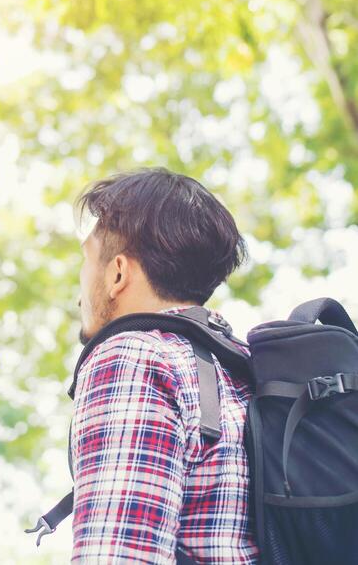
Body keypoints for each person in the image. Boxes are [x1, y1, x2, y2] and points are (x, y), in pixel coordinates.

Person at [71, 168, 260, 564]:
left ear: (117, 272)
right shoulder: (244, 371)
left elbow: (119, 555)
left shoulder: (133, 356)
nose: (80, 288)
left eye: (86, 261)